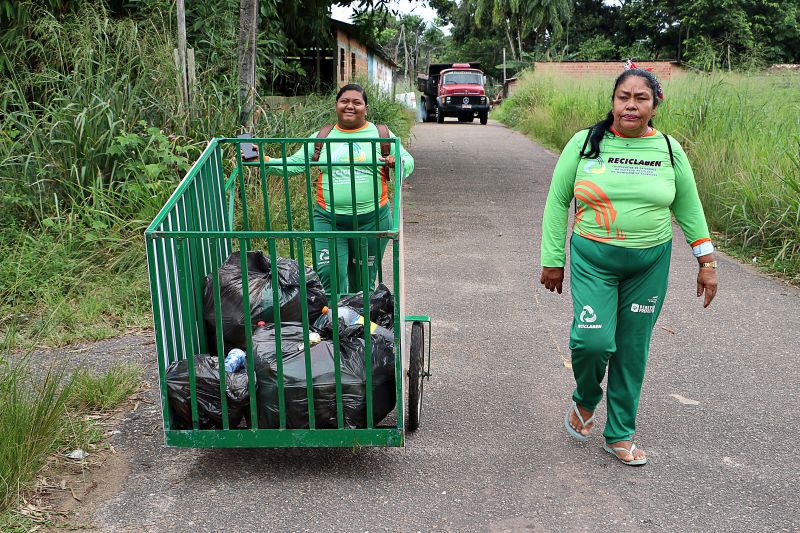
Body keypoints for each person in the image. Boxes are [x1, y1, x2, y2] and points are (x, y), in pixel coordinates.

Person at [538, 63, 718, 466]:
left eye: (641, 98)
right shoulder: (585, 143)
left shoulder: (669, 150)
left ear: (655, 106)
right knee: (592, 341)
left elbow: (689, 207)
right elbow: (557, 201)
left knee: (632, 350)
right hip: (593, 258)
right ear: (613, 102)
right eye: (624, 97)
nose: (631, 105)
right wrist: (552, 259)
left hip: (649, 264)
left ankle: (619, 433)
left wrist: (707, 262)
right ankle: (585, 398)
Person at [259, 83, 414, 294]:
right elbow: (293, 164)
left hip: (372, 221)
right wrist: (264, 160)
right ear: (336, 106)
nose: (350, 106)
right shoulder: (321, 137)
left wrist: (397, 160)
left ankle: (360, 324)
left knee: (362, 284)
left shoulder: (381, 134)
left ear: (366, 108)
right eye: (344, 101)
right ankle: (333, 324)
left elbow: (408, 160)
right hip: (329, 221)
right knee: (329, 278)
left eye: (357, 102)